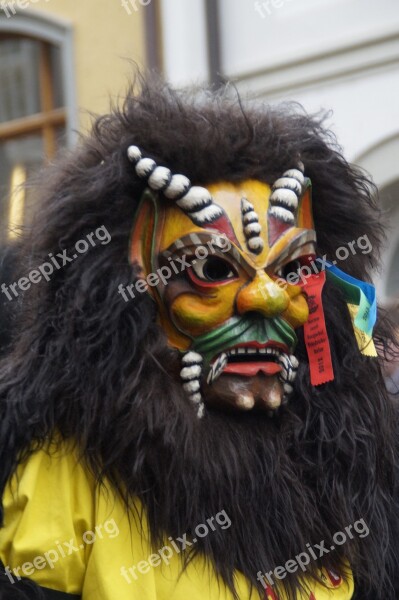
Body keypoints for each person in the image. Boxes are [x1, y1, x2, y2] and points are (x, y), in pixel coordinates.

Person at [0, 76, 398, 600]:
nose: (267, 299)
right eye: (212, 269)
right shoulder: (66, 480)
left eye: (293, 270)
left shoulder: (349, 465)